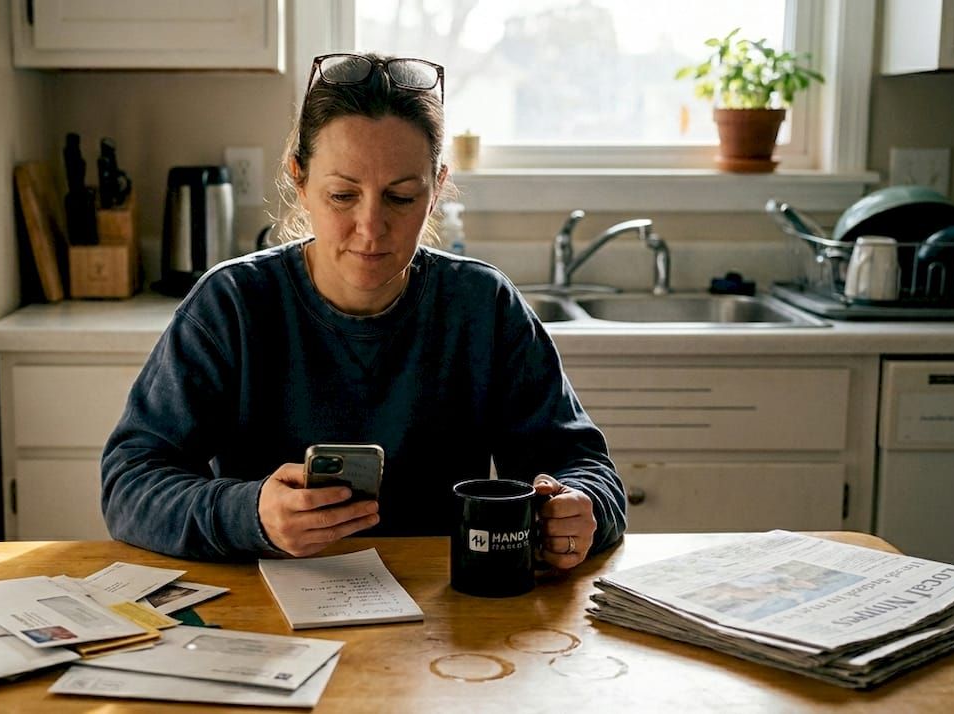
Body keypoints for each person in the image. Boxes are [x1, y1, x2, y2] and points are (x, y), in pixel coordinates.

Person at [102, 52, 626, 568]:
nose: (371, 228)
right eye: (342, 195)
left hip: (447, 619)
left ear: (437, 187)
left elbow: (583, 469)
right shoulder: (232, 305)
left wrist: (580, 510)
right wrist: (251, 514)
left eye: (400, 197)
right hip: (267, 618)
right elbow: (131, 483)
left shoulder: (482, 306)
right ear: (300, 181)